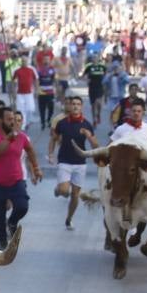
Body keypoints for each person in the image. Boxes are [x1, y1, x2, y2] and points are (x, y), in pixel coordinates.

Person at [0, 107, 41, 248]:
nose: (12, 122)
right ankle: (3, 242)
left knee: (22, 206)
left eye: (14, 119)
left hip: (16, 181)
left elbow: (30, 150)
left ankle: (12, 222)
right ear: (0, 121)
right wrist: (9, 139)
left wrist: (36, 168)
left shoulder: (20, 136)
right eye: (9, 119)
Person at [49, 95, 99, 231]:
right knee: (65, 191)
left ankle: (69, 218)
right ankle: (59, 189)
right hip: (64, 161)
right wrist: (51, 154)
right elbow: (53, 139)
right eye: (73, 104)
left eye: (78, 104)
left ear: (81, 107)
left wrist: (89, 136)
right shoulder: (62, 123)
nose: (76, 106)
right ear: (70, 106)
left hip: (80, 163)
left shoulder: (87, 124)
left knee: (75, 195)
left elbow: (96, 146)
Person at [81, 53, 108, 125]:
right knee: (93, 104)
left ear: (98, 58)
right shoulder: (89, 66)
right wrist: (86, 80)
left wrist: (106, 83)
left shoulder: (102, 66)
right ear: (92, 59)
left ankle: (98, 114)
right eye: (93, 58)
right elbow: (83, 75)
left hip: (100, 87)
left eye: (96, 57)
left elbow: (107, 75)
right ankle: (94, 119)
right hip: (92, 87)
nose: (95, 59)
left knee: (99, 103)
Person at [13, 54, 38, 128]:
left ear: (27, 61)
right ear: (21, 62)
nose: (24, 62)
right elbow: (14, 81)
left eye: (25, 61)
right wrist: (13, 92)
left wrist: (36, 90)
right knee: (20, 109)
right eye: (23, 61)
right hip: (20, 93)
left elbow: (36, 79)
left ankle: (28, 121)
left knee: (30, 108)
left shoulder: (31, 69)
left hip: (29, 93)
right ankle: (23, 125)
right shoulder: (17, 70)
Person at [35, 56, 58, 129]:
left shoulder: (52, 69)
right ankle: (42, 123)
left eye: (47, 59)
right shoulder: (39, 69)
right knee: (42, 108)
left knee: (51, 107)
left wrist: (56, 89)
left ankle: (48, 119)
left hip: (50, 91)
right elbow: (37, 80)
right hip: (42, 92)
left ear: (50, 61)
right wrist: (36, 90)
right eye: (45, 59)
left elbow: (55, 80)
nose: (46, 61)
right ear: (42, 61)